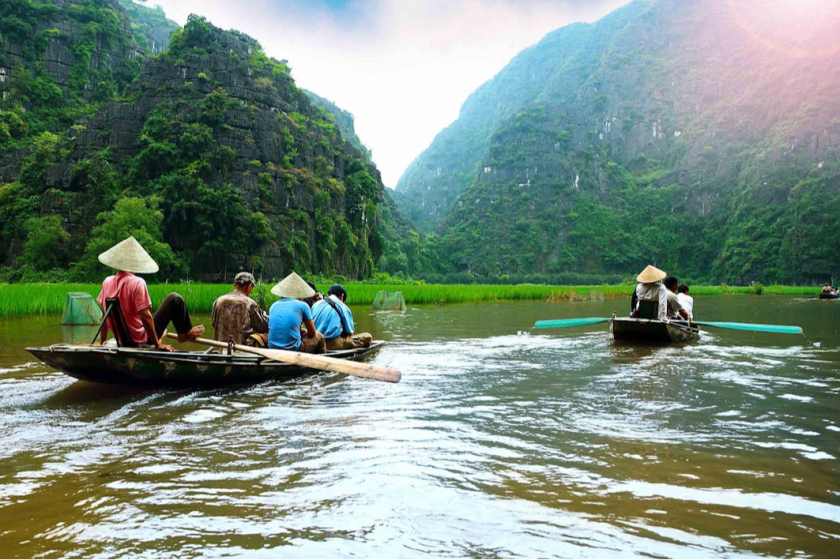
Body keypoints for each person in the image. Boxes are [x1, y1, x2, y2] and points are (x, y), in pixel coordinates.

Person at [96, 236, 204, 351]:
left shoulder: (107, 282)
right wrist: (157, 344)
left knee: (159, 328)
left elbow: (104, 316)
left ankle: (162, 334)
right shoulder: (137, 282)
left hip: (122, 338)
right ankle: (184, 334)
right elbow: (146, 316)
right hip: (141, 339)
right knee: (175, 299)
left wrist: (102, 343)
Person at [267, 272, 326, 354]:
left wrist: (301, 331)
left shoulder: (273, 306)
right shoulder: (303, 306)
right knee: (320, 337)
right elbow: (312, 333)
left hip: (272, 348)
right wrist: (306, 333)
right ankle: (319, 364)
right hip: (293, 349)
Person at [211, 272, 268, 346]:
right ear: (248, 287)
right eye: (252, 287)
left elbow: (214, 323)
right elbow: (262, 326)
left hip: (220, 346)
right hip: (241, 348)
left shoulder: (218, 301)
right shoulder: (250, 303)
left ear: (234, 285)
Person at [312, 284, 373, 350]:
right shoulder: (343, 307)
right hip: (330, 344)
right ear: (342, 296)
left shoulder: (315, 304)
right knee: (367, 337)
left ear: (328, 294)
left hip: (315, 342)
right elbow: (350, 333)